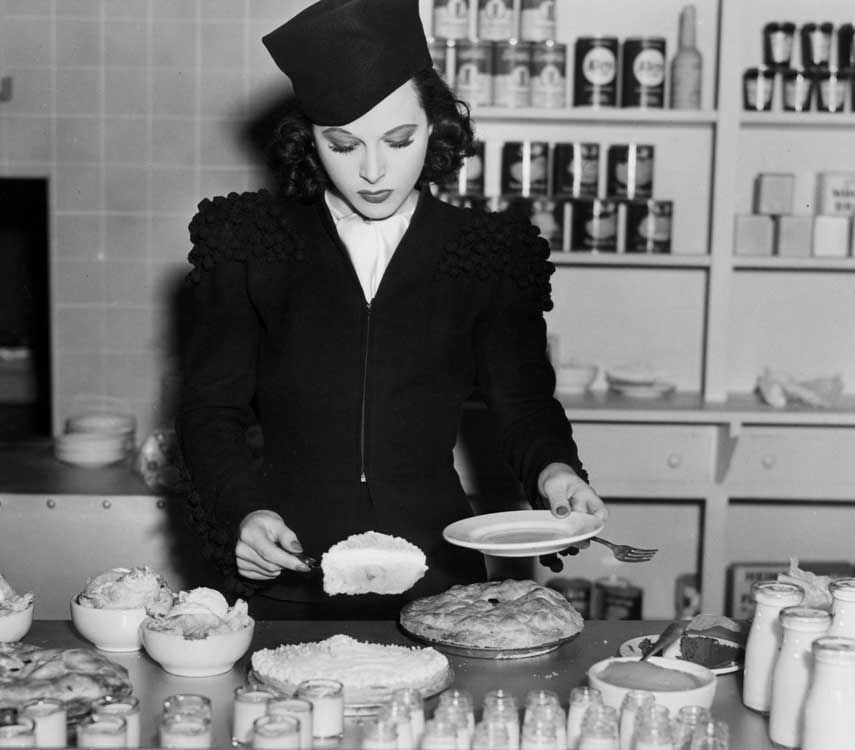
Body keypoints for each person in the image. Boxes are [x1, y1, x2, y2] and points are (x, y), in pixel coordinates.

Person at [177, 0, 606, 620]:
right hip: (292, 570)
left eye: (398, 139)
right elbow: (209, 409)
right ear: (310, 140)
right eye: (343, 145)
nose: (373, 171)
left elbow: (525, 403)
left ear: (435, 126)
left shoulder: (485, 254)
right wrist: (243, 509)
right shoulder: (250, 243)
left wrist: (556, 471)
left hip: (438, 575)